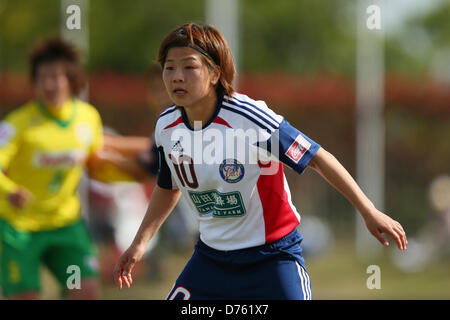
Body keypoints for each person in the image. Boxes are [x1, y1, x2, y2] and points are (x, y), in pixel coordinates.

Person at [113, 23, 408, 300]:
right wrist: (139, 243)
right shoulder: (167, 126)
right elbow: (169, 186)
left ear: (215, 74)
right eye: (169, 68)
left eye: (189, 66)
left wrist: (368, 211)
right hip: (211, 260)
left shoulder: (249, 118)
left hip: (272, 258)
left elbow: (318, 158)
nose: (177, 76)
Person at [0, 37, 104, 299]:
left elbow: (98, 164)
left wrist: (141, 169)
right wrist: (10, 189)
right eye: (42, 77)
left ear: (71, 79)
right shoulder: (17, 124)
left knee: (85, 291)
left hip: (65, 225)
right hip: (20, 227)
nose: (50, 84)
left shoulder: (88, 118)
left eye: (56, 76)